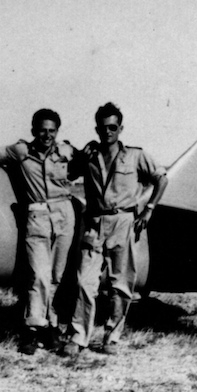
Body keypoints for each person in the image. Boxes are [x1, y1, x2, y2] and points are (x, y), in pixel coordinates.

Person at [0, 109, 81, 355]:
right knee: (38, 275)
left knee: (55, 277)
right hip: (37, 216)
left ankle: (50, 327)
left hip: (64, 216)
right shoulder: (21, 151)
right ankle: (32, 329)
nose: (47, 135)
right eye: (42, 130)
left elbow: (87, 168)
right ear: (33, 130)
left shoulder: (66, 152)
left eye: (52, 130)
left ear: (57, 132)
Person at [63, 102, 168, 357]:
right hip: (95, 223)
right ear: (97, 128)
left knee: (120, 285)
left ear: (120, 128)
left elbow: (161, 179)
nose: (108, 131)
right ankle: (78, 337)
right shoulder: (90, 155)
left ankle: (112, 337)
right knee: (84, 282)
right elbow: (69, 173)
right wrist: (78, 155)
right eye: (103, 127)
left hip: (123, 223)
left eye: (113, 127)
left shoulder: (135, 156)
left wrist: (149, 209)